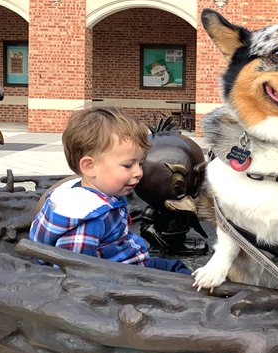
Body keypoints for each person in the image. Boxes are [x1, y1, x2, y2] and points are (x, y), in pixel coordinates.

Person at [29, 106, 190, 274]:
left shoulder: (87, 191)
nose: (139, 173)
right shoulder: (88, 221)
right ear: (90, 166)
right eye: (128, 165)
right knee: (178, 272)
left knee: (174, 267)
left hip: (123, 260)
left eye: (140, 163)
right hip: (121, 274)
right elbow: (74, 272)